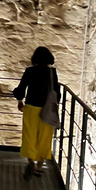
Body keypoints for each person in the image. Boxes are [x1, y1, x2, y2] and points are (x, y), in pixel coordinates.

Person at [12, 47, 60, 180]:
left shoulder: (30, 71)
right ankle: (39, 166)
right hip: (46, 109)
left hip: (31, 107)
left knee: (29, 135)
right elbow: (57, 91)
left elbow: (21, 89)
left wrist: (19, 100)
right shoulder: (52, 72)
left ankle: (31, 163)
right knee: (45, 137)